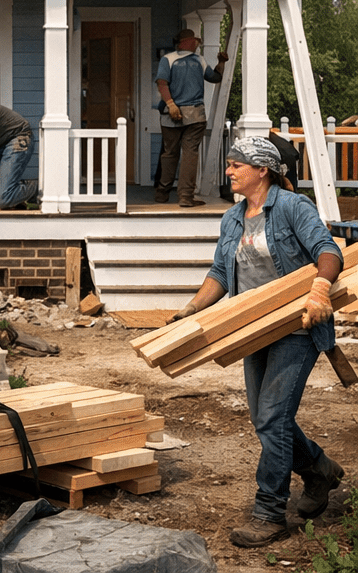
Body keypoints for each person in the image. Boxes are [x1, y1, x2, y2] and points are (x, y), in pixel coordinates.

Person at [168, 137, 344, 548]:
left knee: (271, 419)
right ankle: (319, 469)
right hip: (252, 331)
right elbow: (219, 272)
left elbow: (328, 250)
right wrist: (191, 310)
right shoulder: (232, 217)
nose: (228, 172)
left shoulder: (291, 207)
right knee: (267, 419)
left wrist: (319, 289)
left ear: (261, 170)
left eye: (235, 165)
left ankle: (269, 513)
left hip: (297, 329)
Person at [155, 28, 228, 207]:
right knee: (190, 154)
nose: (198, 44)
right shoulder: (198, 60)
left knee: (169, 154)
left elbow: (162, 83)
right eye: (196, 40)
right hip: (195, 114)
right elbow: (215, 77)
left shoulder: (168, 60)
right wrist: (221, 63)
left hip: (170, 115)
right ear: (187, 42)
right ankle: (186, 197)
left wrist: (171, 104)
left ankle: (162, 195)